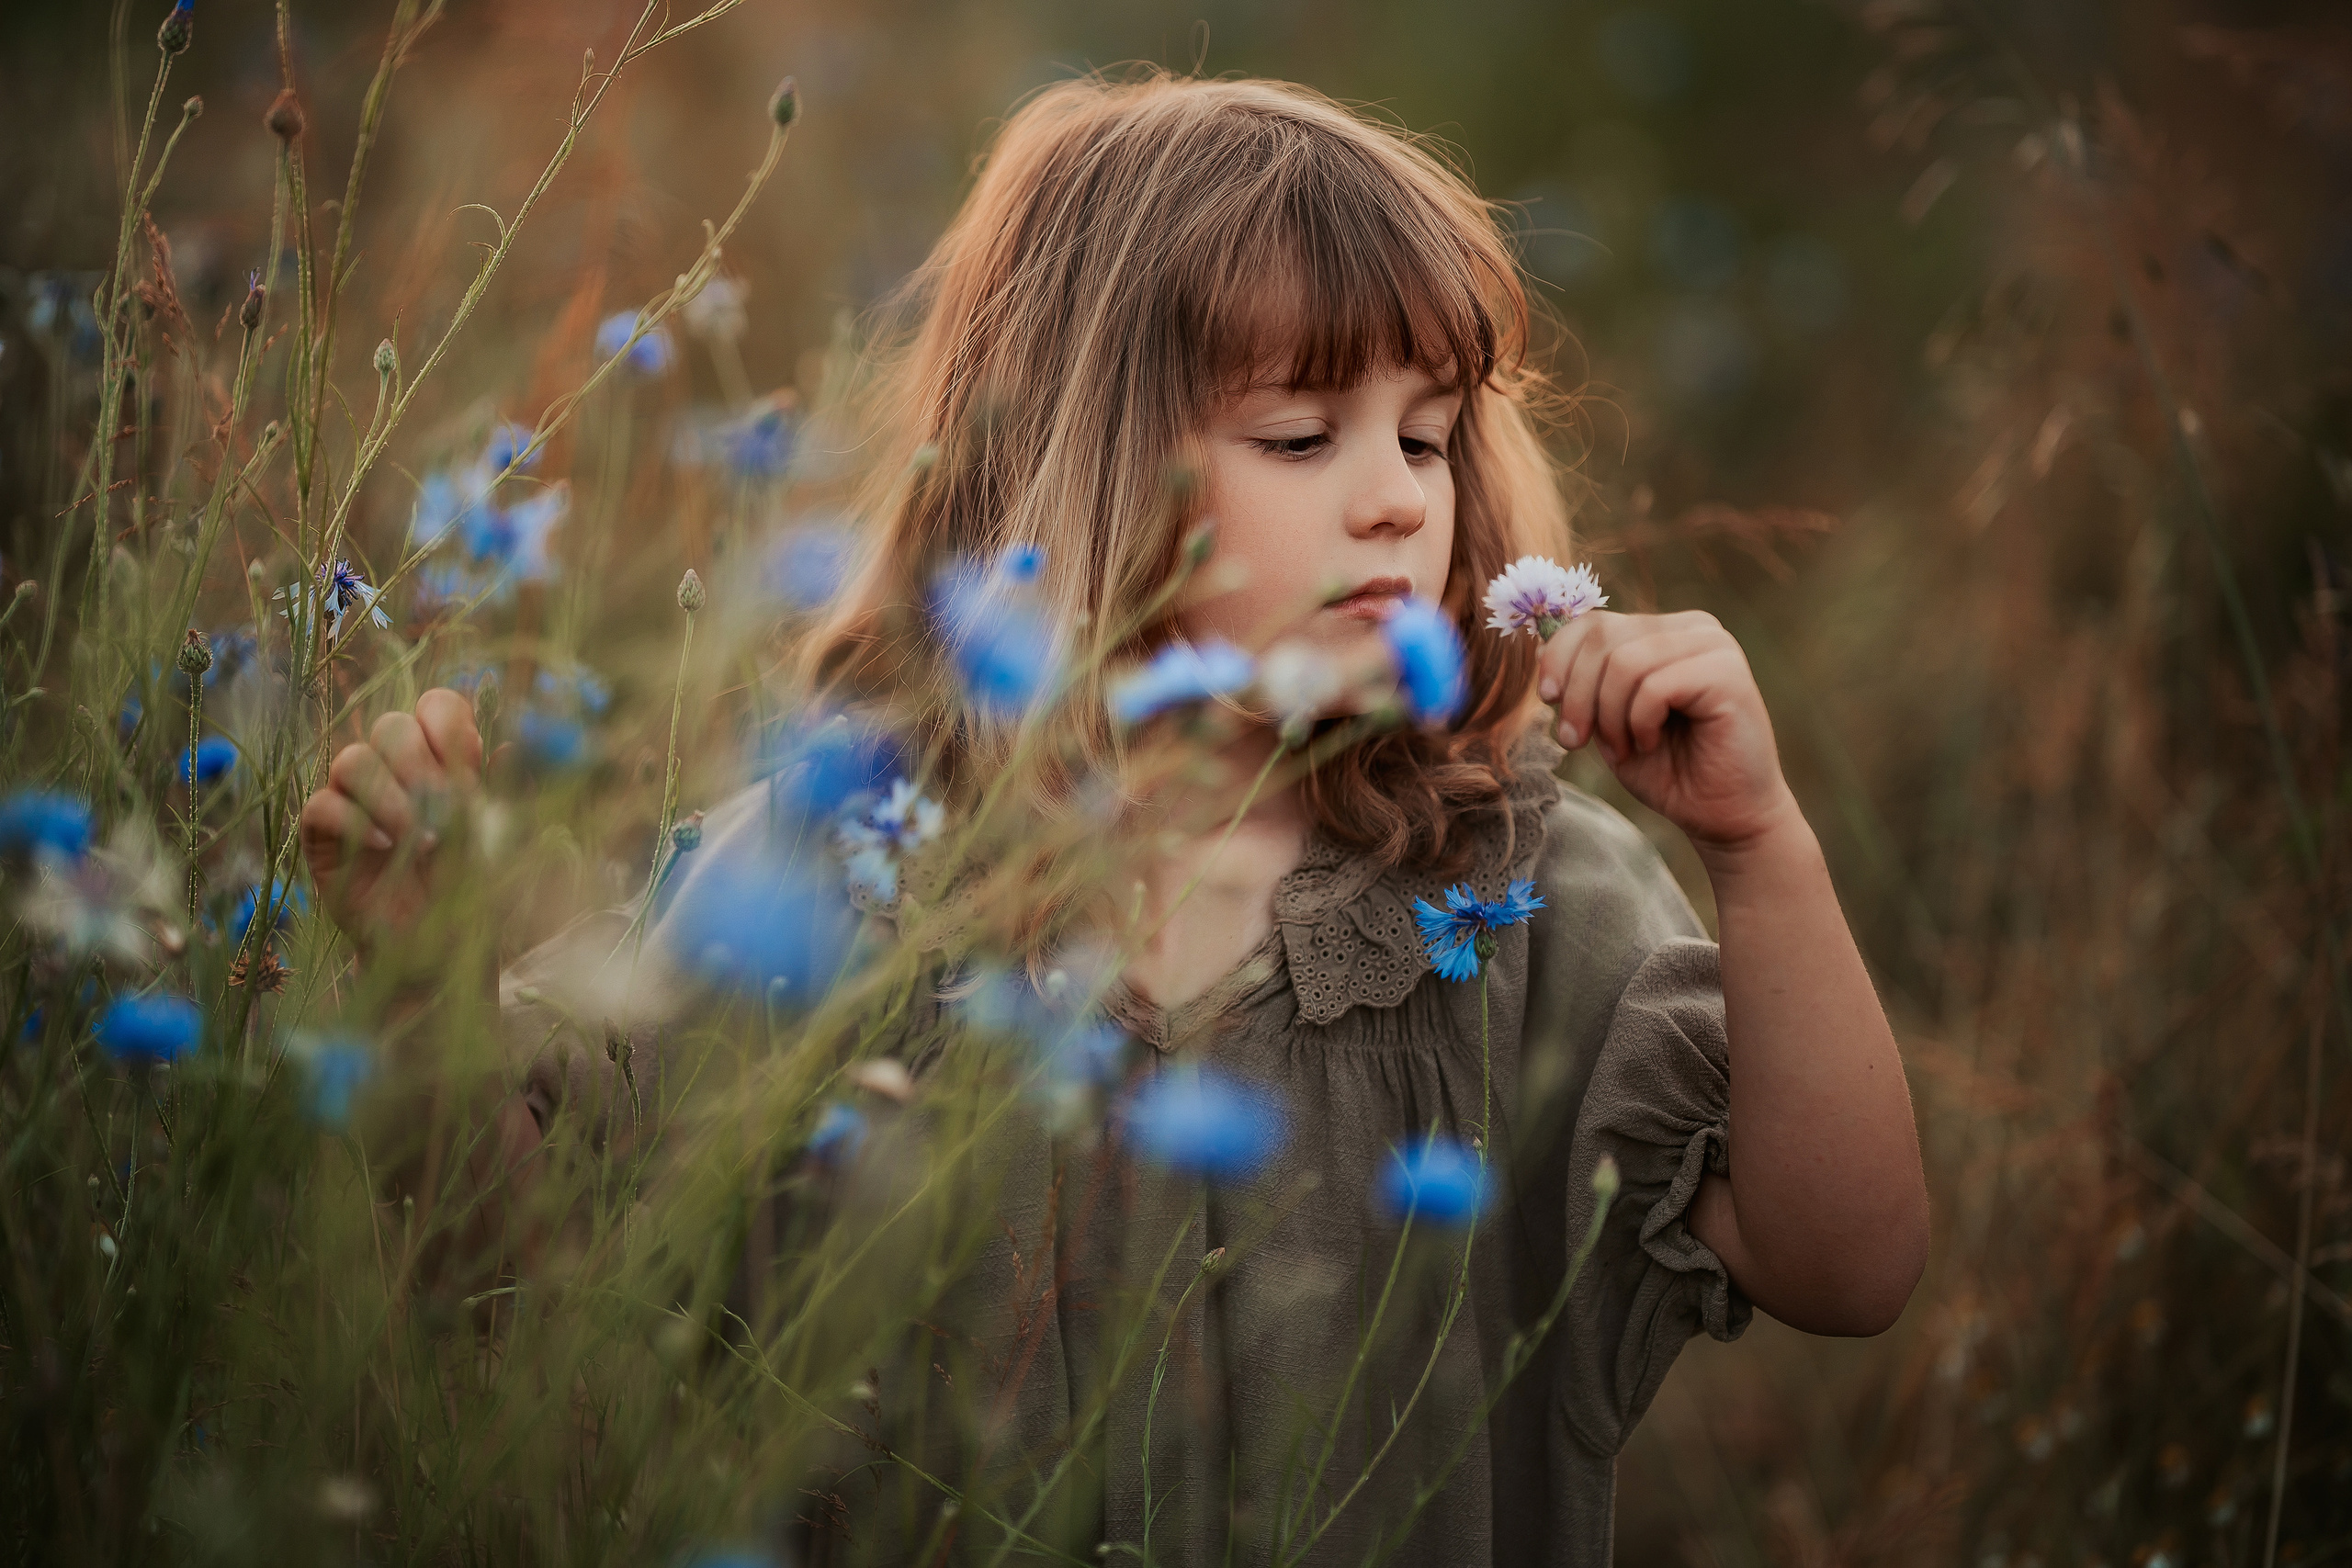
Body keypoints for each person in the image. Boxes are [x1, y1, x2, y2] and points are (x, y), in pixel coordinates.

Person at [301, 72, 1928, 1566]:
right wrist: (423, 987)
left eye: (1427, 435)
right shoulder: (849, 882)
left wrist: (1759, 849)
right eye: (1301, 435)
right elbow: (555, 1340)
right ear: (1076, 472)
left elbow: (1850, 1270)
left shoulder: (1513, 883)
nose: (1398, 498)